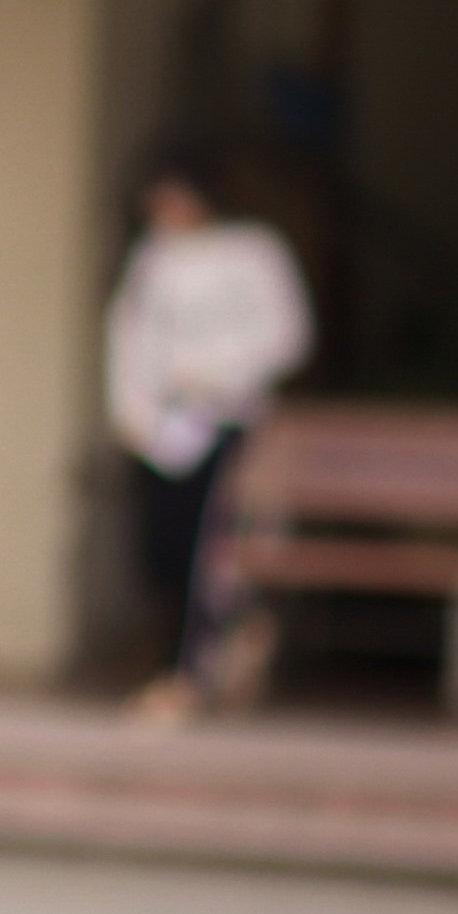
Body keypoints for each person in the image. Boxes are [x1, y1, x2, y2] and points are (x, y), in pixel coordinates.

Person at [104, 152, 312, 723]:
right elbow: (129, 336)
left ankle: (185, 676)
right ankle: (225, 639)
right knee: (160, 547)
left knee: (205, 548)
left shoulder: (253, 252)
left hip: (222, 417)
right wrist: (130, 406)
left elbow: (286, 335)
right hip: (157, 425)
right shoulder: (152, 259)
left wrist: (213, 370)